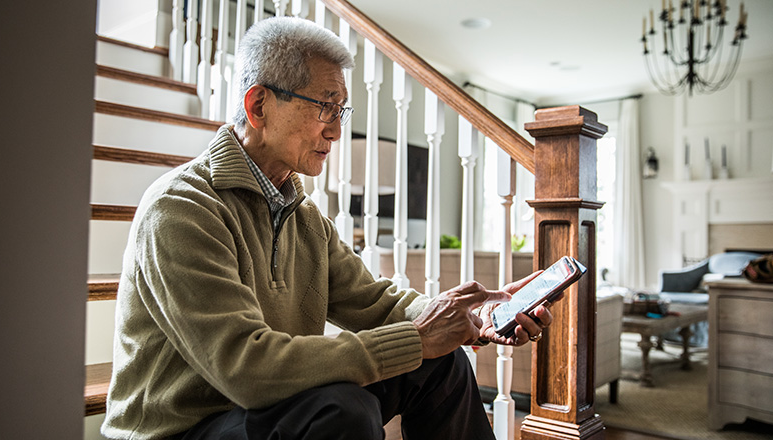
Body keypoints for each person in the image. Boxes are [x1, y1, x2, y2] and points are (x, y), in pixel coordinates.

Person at [101, 16, 556, 440]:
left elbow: (376, 300)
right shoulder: (181, 208)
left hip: (260, 410)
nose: (336, 131)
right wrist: (417, 338)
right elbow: (246, 368)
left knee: (443, 364)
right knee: (342, 408)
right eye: (325, 107)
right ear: (259, 105)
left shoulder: (303, 215)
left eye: (342, 111)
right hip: (182, 428)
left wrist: (471, 318)